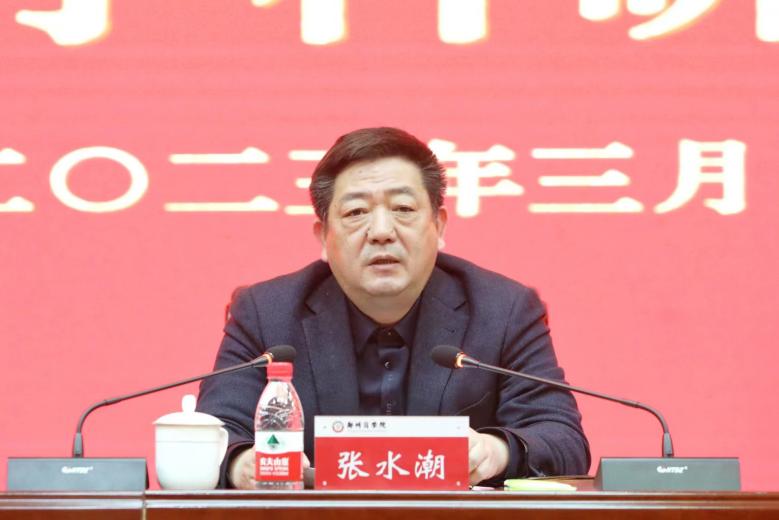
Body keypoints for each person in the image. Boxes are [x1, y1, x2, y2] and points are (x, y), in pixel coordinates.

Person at [197, 127, 590, 489]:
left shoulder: (503, 309)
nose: (382, 232)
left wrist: (494, 452)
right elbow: (214, 433)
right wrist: (243, 464)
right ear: (323, 237)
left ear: (439, 226)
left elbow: (561, 437)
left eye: (403, 208)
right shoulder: (267, 312)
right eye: (356, 212)